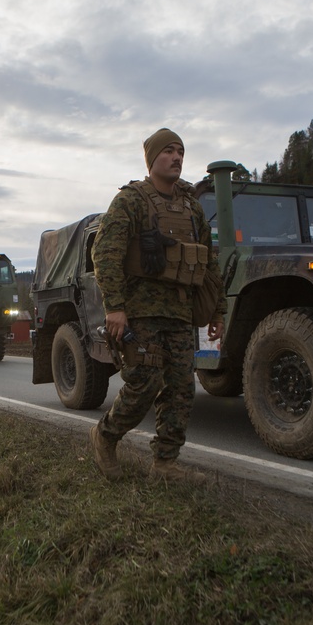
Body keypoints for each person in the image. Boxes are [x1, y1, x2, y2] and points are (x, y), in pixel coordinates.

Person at [90, 128, 226, 482]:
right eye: (168, 151)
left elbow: (210, 264)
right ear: (152, 159)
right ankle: (105, 436)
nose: (177, 157)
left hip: (181, 314)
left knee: (182, 390)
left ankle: (165, 463)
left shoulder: (192, 209)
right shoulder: (131, 201)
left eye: (181, 151)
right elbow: (105, 253)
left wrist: (217, 311)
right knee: (144, 385)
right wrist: (115, 307)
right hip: (141, 314)